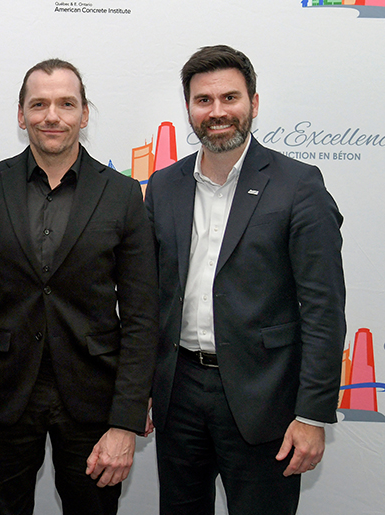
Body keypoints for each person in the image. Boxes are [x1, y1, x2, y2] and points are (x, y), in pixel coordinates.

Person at [0, 58, 158, 515]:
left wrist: (126, 420)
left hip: (93, 397)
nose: (52, 116)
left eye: (66, 104)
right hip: (3, 394)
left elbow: (142, 315)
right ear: (21, 115)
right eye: (39, 104)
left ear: (85, 114)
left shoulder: (123, 194)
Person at [145, 45, 346, 515]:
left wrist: (312, 414)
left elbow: (323, 309)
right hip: (178, 394)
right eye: (203, 100)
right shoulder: (164, 185)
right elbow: (150, 299)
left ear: (253, 103)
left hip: (265, 400)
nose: (217, 111)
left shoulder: (299, 185)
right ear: (189, 109)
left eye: (229, 98)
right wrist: (140, 390)